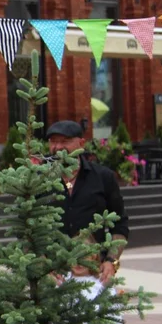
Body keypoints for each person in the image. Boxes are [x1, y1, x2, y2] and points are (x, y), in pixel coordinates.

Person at [46, 120, 129, 284]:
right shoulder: (39, 180)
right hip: (53, 276)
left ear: (81, 143)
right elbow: (26, 231)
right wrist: (43, 265)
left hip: (93, 275)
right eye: (53, 141)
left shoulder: (103, 177)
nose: (58, 147)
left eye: (65, 141)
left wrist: (111, 261)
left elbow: (119, 224)